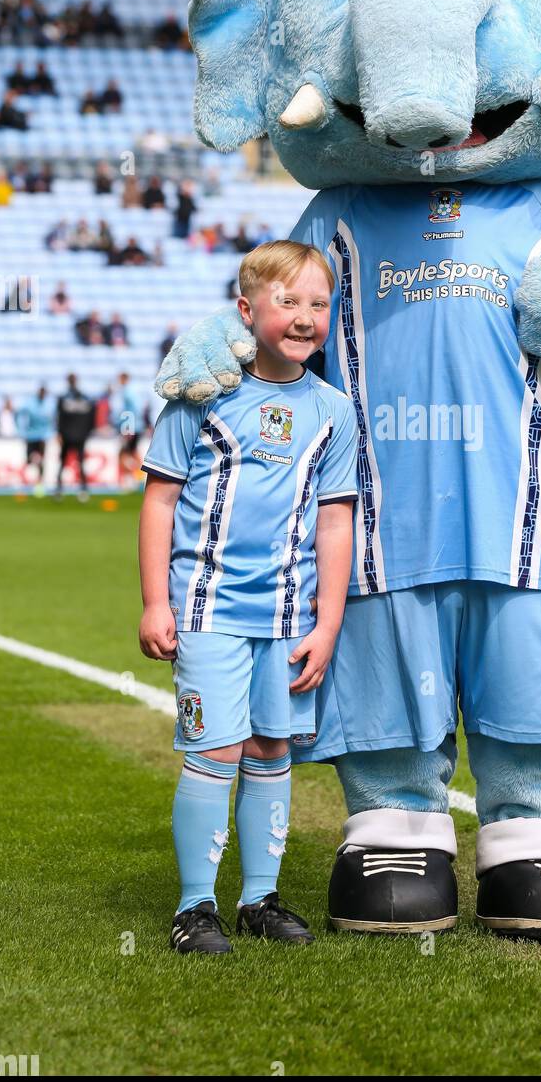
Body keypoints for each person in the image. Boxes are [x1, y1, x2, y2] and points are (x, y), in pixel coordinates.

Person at [139, 240, 359, 954]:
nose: (304, 317)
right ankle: (193, 907)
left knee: (271, 748)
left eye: (318, 304)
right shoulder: (203, 396)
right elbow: (160, 499)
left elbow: (334, 520)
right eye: (287, 302)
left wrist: (328, 623)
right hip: (209, 613)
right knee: (217, 750)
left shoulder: (333, 409)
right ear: (246, 310)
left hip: (289, 619)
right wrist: (155, 602)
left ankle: (257, 899)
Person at [56, 374, 96, 499]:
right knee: (78, 463)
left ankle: (60, 489)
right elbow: (91, 420)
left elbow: (59, 419)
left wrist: (60, 434)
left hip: (68, 436)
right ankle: (82, 489)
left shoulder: (63, 400)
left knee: (64, 463)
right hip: (79, 437)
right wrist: (86, 433)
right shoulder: (85, 399)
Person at [16, 385, 53, 484]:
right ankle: (27, 480)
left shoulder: (49, 405)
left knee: (41, 460)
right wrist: (20, 430)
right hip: (31, 436)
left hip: (42, 437)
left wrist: (51, 433)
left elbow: (52, 421)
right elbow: (19, 413)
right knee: (29, 460)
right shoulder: (30, 403)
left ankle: (40, 482)